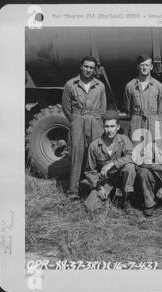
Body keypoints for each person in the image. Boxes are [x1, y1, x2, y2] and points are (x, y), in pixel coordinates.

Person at [62, 56, 107, 200]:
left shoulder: (100, 86)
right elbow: (66, 107)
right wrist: (75, 121)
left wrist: (95, 120)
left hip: (94, 121)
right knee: (77, 155)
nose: (88, 70)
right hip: (78, 120)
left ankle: (95, 189)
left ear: (95, 69)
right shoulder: (71, 85)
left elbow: (103, 107)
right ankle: (73, 191)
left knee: (95, 155)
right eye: (86, 67)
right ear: (81, 67)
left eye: (91, 68)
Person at [84, 110, 136, 213]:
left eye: (112, 126)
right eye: (107, 127)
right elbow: (90, 171)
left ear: (118, 127)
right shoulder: (94, 146)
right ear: (103, 127)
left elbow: (133, 156)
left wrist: (112, 163)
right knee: (90, 207)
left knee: (130, 166)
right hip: (105, 181)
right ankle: (111, 196)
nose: (110, 130)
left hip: (121, 179)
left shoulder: (124, 140)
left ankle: (126, 200)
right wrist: (99, 187)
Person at [123, 54, 162, 145]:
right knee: (136, 149)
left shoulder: (158, 86)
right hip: (137, 120)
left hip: (153, 120)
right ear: (138, 66)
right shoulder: (130, 86)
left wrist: (157, 122)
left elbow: (161, 107)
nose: (144, 67)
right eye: (142, 65)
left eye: (147, 65)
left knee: (154, 148)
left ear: (151, 67)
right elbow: (128, 107)